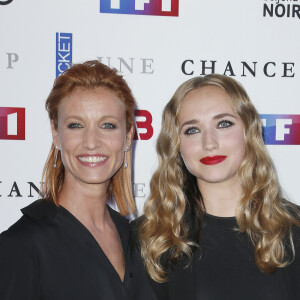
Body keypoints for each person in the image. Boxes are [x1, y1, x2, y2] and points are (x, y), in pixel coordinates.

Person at [130, 74, 300, 300]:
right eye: (192, 130)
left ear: (248, 132)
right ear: (177, 144)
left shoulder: (293, 230)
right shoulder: (149, 239)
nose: (209, 143)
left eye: (223, 124)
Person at [0, 60, 136, 300]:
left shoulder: (135, 238)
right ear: (55, 133)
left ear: (128, 136)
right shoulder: (24, 245)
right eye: (76, 125)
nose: (91, 142)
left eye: (107, 125)